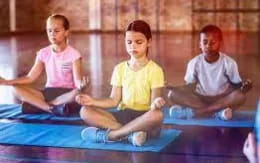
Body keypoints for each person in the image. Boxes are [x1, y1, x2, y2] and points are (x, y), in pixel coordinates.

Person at [76, 20, 165, 146]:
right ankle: (130, 134)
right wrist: (92, 101)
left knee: (157, 115)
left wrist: (156, 104)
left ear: (149, 42)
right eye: (129, 42)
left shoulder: (155, 70)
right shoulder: (120, 68)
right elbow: (113, 100)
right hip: (124, 114)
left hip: (144, 117)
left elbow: (153, 106)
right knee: (85, 111)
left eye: (138, 42)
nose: (133, 46)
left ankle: (112, 135)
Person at [0, 14, 84, 116]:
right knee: (15, 89)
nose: (52, 34)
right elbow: (30, 77)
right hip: (48, 93)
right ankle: (50, 108)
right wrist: (7, 82)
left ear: (66, 32)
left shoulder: (74, 55)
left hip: (67, 94)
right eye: (49, 31)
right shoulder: (43, 53)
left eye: (57, 31)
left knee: (77, 93)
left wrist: (81, 85)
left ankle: (37, 106)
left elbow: (77, 81)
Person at [167, 24, 252, 120]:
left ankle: (196, 112)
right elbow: (190, 87)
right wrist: (176, 88)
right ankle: (217, 113)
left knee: (240, 96)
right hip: (200, 99)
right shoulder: (194, 63)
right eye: (205, 42)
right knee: (172, 94)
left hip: (222, 99)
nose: (208, 46)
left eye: (213, 42)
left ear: (220, 43)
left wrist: (245, 86)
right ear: (200, 44)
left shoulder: (229, 63)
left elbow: (236, 86)